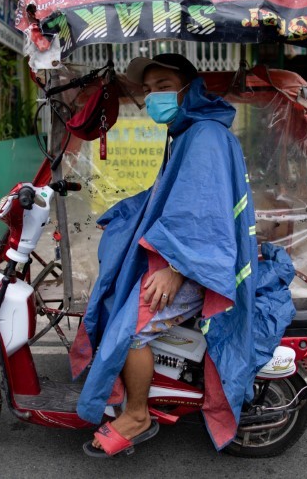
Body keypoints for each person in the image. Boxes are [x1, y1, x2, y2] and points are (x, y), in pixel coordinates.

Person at [69, 54, 263, 457]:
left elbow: (202, 215)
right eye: (149, 88)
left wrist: (175, 269)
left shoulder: (204, 136)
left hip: (197, 266)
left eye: (163, 85)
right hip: (192, 257)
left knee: (133, 329)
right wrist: (126, 214)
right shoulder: (189, 132)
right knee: (118, 289)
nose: (153, 95)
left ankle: (137, 414)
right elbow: (175, 200)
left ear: (188, 88)